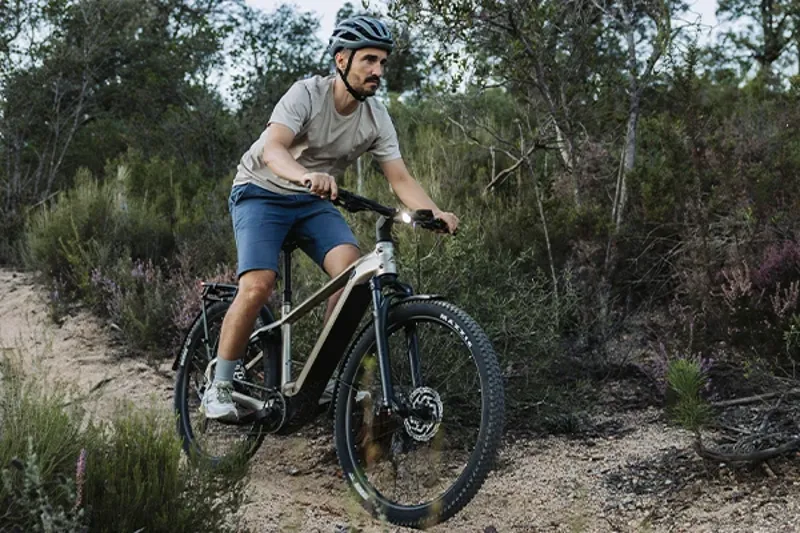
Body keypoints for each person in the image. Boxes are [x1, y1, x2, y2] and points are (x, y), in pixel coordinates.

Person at [201, 15, 459, 420]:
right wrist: (306, 175)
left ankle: (322, 380)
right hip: (260, 191)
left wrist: (433, 212)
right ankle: (219, 385)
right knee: (258, 284)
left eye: (383, 62)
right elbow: (274, 151)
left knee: (352, 277)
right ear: (341, 59)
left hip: (312, 201)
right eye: (369, 60)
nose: (378, 70)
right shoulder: (305, 94)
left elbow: (400, 178)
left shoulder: (376, 117)